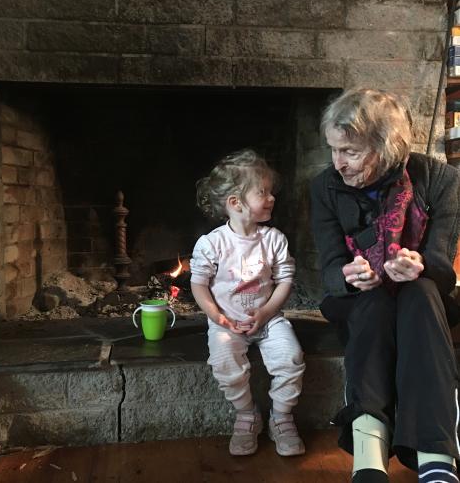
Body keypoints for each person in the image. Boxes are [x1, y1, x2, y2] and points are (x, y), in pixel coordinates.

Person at [311, 88, 460, 483]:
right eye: (333, 150)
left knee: (424, 293)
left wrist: (420, 264)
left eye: (351, 152)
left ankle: (436, 457)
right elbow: (327, 267)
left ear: (387, 146)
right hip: (358, 298)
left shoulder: (442, 180)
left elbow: (443, 269)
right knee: (372, 302)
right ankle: (369, 451)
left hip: (421, 298)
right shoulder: (324, 186)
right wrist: (347, 275)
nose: (338, 163)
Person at [190, 149, 306, 457]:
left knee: (291, 357)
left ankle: (281, 416)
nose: (271, 198)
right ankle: (246, 413)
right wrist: (216, 316)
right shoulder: (212, 243)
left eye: (271, 192)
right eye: (263, 192)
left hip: (269, 320)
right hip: (227, 322)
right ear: (235, 203)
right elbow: (198, 284)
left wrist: (267, 311)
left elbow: (284, 281)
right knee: (224, 360)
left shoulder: (274, 239)